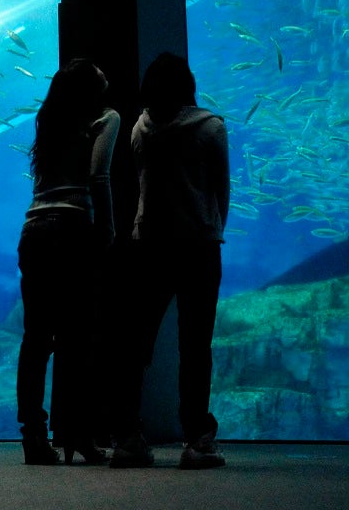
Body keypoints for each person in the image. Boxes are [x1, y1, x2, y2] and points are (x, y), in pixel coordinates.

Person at [110, 52, 228, 471]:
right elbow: (221, 188)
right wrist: (212, 226)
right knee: (195, 346)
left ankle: (128, 436)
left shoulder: (139, 128)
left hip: (148, 246)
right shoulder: (211, 127)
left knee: (135, 344)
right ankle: (197, 439)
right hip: (198, 246)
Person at [17, 57, 119, 466]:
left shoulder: (50, 124)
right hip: (74, 228)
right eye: (101, 76)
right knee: (77, 338)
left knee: (37, 339)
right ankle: (79, 435)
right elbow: (99, 176)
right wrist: (107, 230)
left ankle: (34, 437)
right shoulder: (106, 118)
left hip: (35, 231)